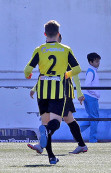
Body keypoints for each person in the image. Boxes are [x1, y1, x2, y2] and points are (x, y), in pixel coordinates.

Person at [24, 20, 81, 164]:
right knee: (55, 122)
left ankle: (51, 157)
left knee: (45, 123)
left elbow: (27, 70)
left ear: (45, 34)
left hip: (42, 91)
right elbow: (77, 69)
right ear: (58, 34)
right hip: (58, 90)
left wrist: (28, 75)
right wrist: (65, 75)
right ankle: (47, 134)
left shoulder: (40, 49)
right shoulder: (65, 49)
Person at [80, 52, 101, 143]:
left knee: (91, 118)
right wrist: (95, 93)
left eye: (98, 61)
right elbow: (87, 85)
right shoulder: (91, 72)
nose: (98, 63)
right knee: (95, 118)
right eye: (96, 61)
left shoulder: (92, 71)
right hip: (91, 97)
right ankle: (93, 139)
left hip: (89, 97)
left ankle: (76, 131)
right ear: (90, 62)